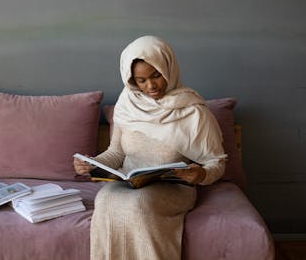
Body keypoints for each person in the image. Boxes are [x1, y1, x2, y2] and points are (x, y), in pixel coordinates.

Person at [73, 35, 227, 260]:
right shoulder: (127, 105)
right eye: (141, 80)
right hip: (128, 183)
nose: (151, 86)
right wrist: (91, 164)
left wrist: (201, 174)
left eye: (156, 75)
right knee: (104, 199)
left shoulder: (194, 111)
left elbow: (217, 162)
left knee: (140, 205)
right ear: (131, 80)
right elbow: (116, 153)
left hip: (173, 188)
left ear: (168, 68)